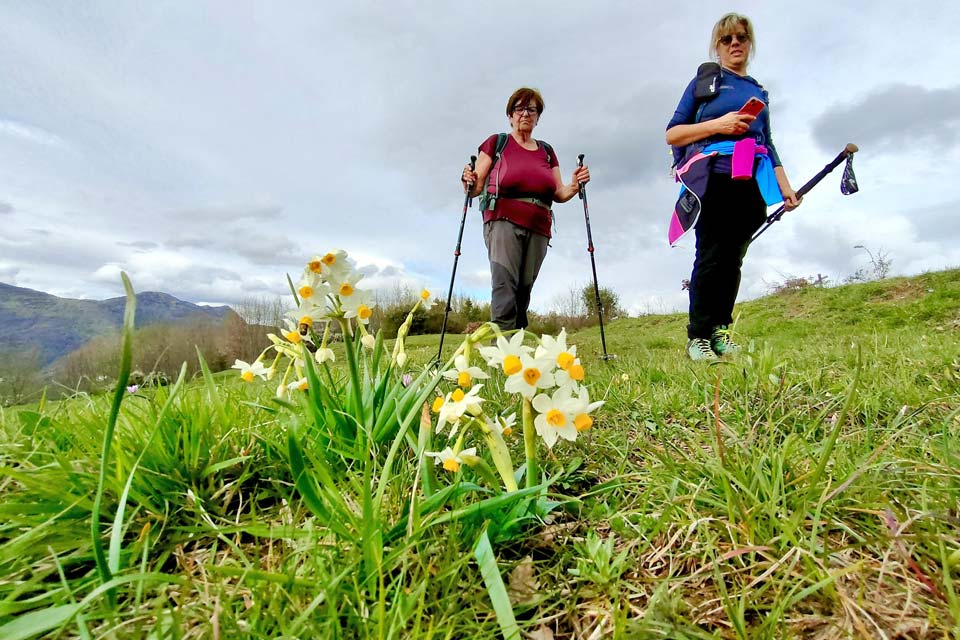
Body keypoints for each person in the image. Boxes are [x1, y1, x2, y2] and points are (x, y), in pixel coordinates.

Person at [666, 13, 801, 361]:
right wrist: (720, 123)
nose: (735, 43)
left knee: (733, 260)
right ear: (718, 46)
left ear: (750, 42)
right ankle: (697, 336)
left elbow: (768, 143)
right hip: (713, 178)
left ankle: (720, 332)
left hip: (751, 180)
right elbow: (673, 133)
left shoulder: (758, 91)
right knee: (710, 256)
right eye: (727, 39)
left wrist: (785, 188)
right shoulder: (705, 83)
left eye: (741, 37)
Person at [461, 87, 590, 331]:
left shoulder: (547, 151)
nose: (525, 114)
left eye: (531, 109)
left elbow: (558, 192)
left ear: (538, 117)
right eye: (519, 108)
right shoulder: (497, 143)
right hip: (502, 220)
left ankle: (517, 351)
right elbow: (475, 186)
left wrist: (575, 184)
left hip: (539, 226)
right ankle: (501, 357)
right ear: (510, 115)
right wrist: (467, 178)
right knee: (504, 286)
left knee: (523, 291)